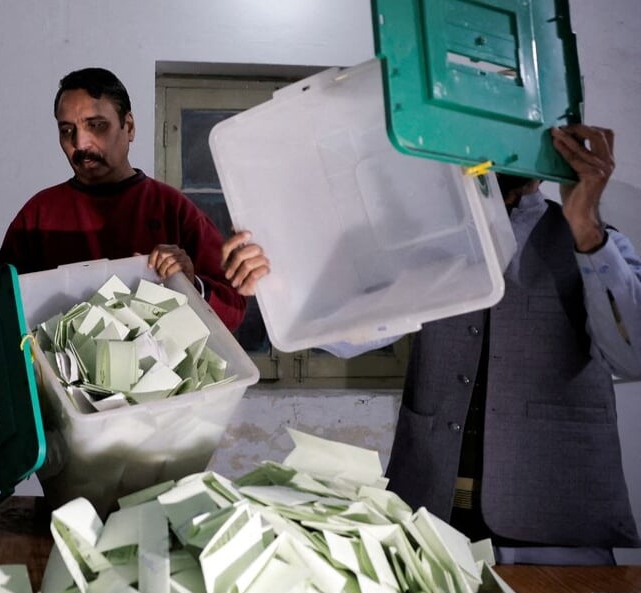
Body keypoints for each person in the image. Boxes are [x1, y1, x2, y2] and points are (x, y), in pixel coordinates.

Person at [224, 124, 641, 564]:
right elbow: (350, 335)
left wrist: (587, 229)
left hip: (556, 525)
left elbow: (632, 356)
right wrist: (274, 282)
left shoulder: (598, 243)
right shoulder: (428, 245)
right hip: (431, 518)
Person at [0, 67, 246, 330]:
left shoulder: (174, 209)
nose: (80, 144)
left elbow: (233, 310)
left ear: (130, 127)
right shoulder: (37, 216)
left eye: (96, 125)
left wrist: (190, 284)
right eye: (67, 130)